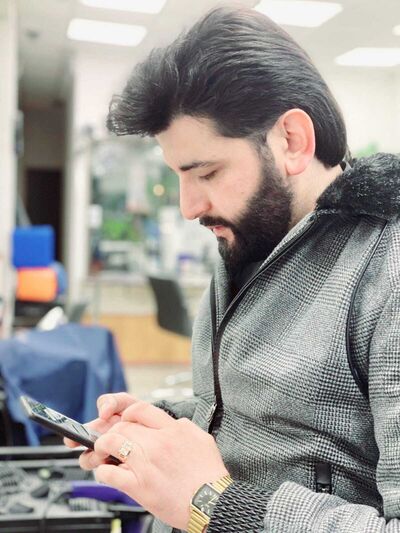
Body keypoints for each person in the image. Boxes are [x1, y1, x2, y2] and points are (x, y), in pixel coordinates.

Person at [65, 5, 400, 532]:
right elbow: (255, 420)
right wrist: (163, 427)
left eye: (207, 172)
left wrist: (218, 505)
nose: (188, 207)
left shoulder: (387, 275)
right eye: (179, 176)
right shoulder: (253, 240)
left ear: (291, 140)